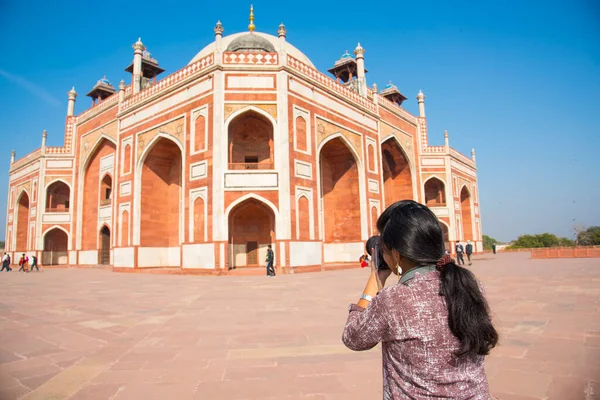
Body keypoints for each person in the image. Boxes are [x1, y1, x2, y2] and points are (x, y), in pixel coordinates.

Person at [342, 200, 498, 399]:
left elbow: (353, 338)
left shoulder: (395, 298)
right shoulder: (470, 286)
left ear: (397, 255)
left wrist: (375, 279)